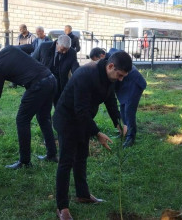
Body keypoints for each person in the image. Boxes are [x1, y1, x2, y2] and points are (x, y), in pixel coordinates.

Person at [54, 51, 131, 220]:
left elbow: (110, 99)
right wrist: (97, 133)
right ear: (110, 66)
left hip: (83, 119)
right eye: (120, 75)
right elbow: (79, 109)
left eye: (124, 76)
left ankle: (83, 195)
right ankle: (62, 207)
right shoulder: (85, 75)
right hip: (67, 119)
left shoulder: (109, 77)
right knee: (66, 162)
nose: (121, 79)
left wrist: (118, 122)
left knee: (81, 157)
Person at [0, 46, 58, 168]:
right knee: (43, 118)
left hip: (38, 85)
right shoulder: (9, 49)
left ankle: (25, 162)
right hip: (51, 79)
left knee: (22, 120)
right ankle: (52, 155)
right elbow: (28, 47)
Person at [92, 48, 147, 148]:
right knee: (122, 108)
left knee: (129, 110)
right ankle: (124, 131)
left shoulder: (113, 61)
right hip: (124, 86)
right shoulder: (110, 59)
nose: (96, 64)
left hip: (134, 83)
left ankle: (131, 137)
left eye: (96, 60)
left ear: (101, 56)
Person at [32, 34, 79, 105]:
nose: (64, 52)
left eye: (67, 50)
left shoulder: (72, 52)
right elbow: (33, 61)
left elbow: (75, 68)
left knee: (60, 107)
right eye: (62, 49)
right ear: (57, 43)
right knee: (43, 107)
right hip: (44, 82)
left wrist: (80, 77)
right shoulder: (44, 47)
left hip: (60, 83)